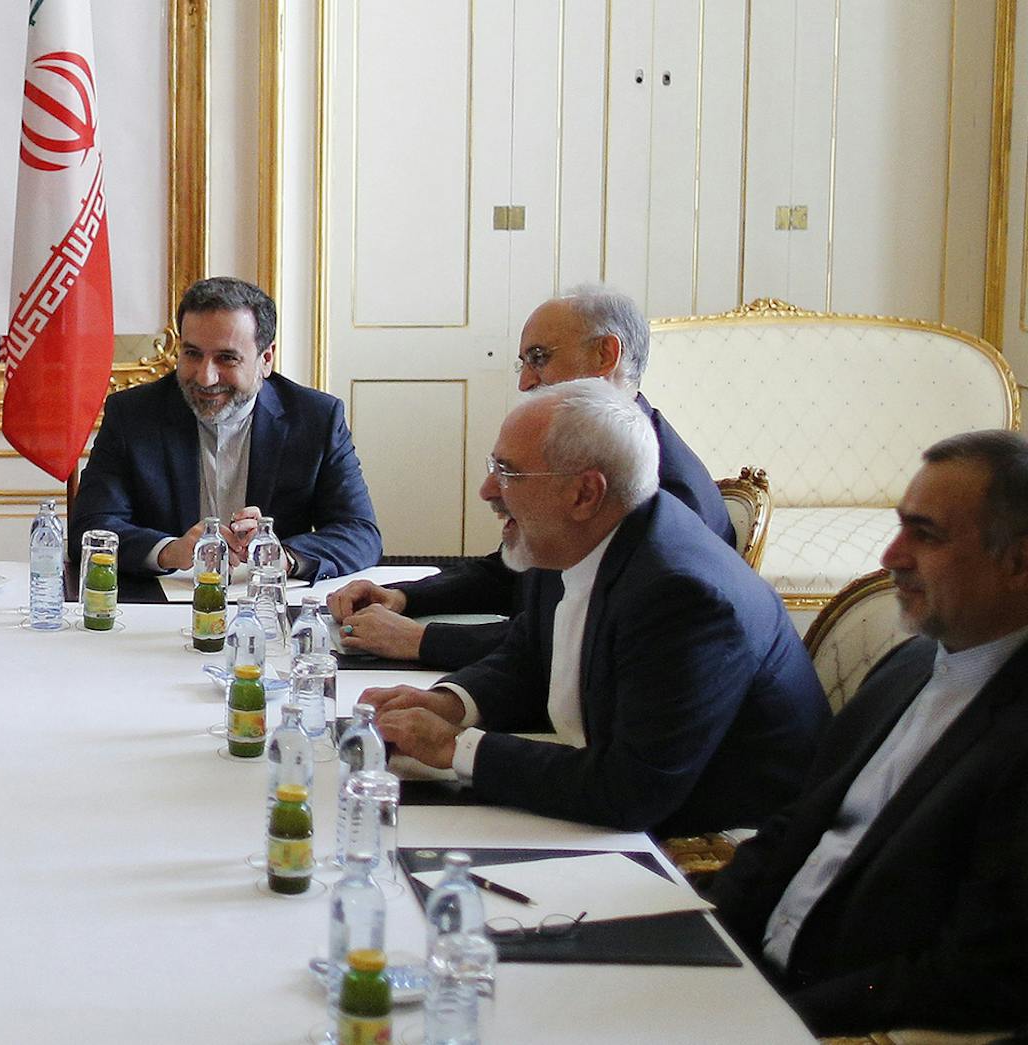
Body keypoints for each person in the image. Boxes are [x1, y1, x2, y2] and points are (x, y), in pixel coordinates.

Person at [359, 379, 828, 835]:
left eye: (508, 473)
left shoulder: (680, 595)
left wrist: (453, 747)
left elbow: (631, 790)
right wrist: (450, 704)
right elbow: (530, 654)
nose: (487, 489)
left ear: (585, 493)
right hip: (613, 792)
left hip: (716, 842)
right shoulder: (577, 535)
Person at [708, 430, 1028, 1036]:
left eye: (925, 535)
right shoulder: (906, 665)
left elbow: (977, 974)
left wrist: (760, 1022)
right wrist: (694, 931)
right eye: (900, 526)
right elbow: (792, 826)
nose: (891, 556)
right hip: (749, 977)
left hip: (835, 1019)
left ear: (1017, 562)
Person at [329, 285, 733, 668]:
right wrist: (403, 597)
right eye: (523, 364)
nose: (525, 382)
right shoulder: (590, 449)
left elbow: (573, 639)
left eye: (539, 358)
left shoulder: (664, 492)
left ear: (605, 355)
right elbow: (522, 574)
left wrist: (421, 641)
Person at [68, 276, 380, 580]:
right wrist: (170, 551)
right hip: (162, 605)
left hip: (269, 606)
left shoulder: (316, 419)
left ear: (265, 359)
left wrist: (282, 556)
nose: (205, 377)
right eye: (192, 354)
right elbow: (90, 529)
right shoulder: (132, 414)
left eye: (226, 358)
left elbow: (360, 533)